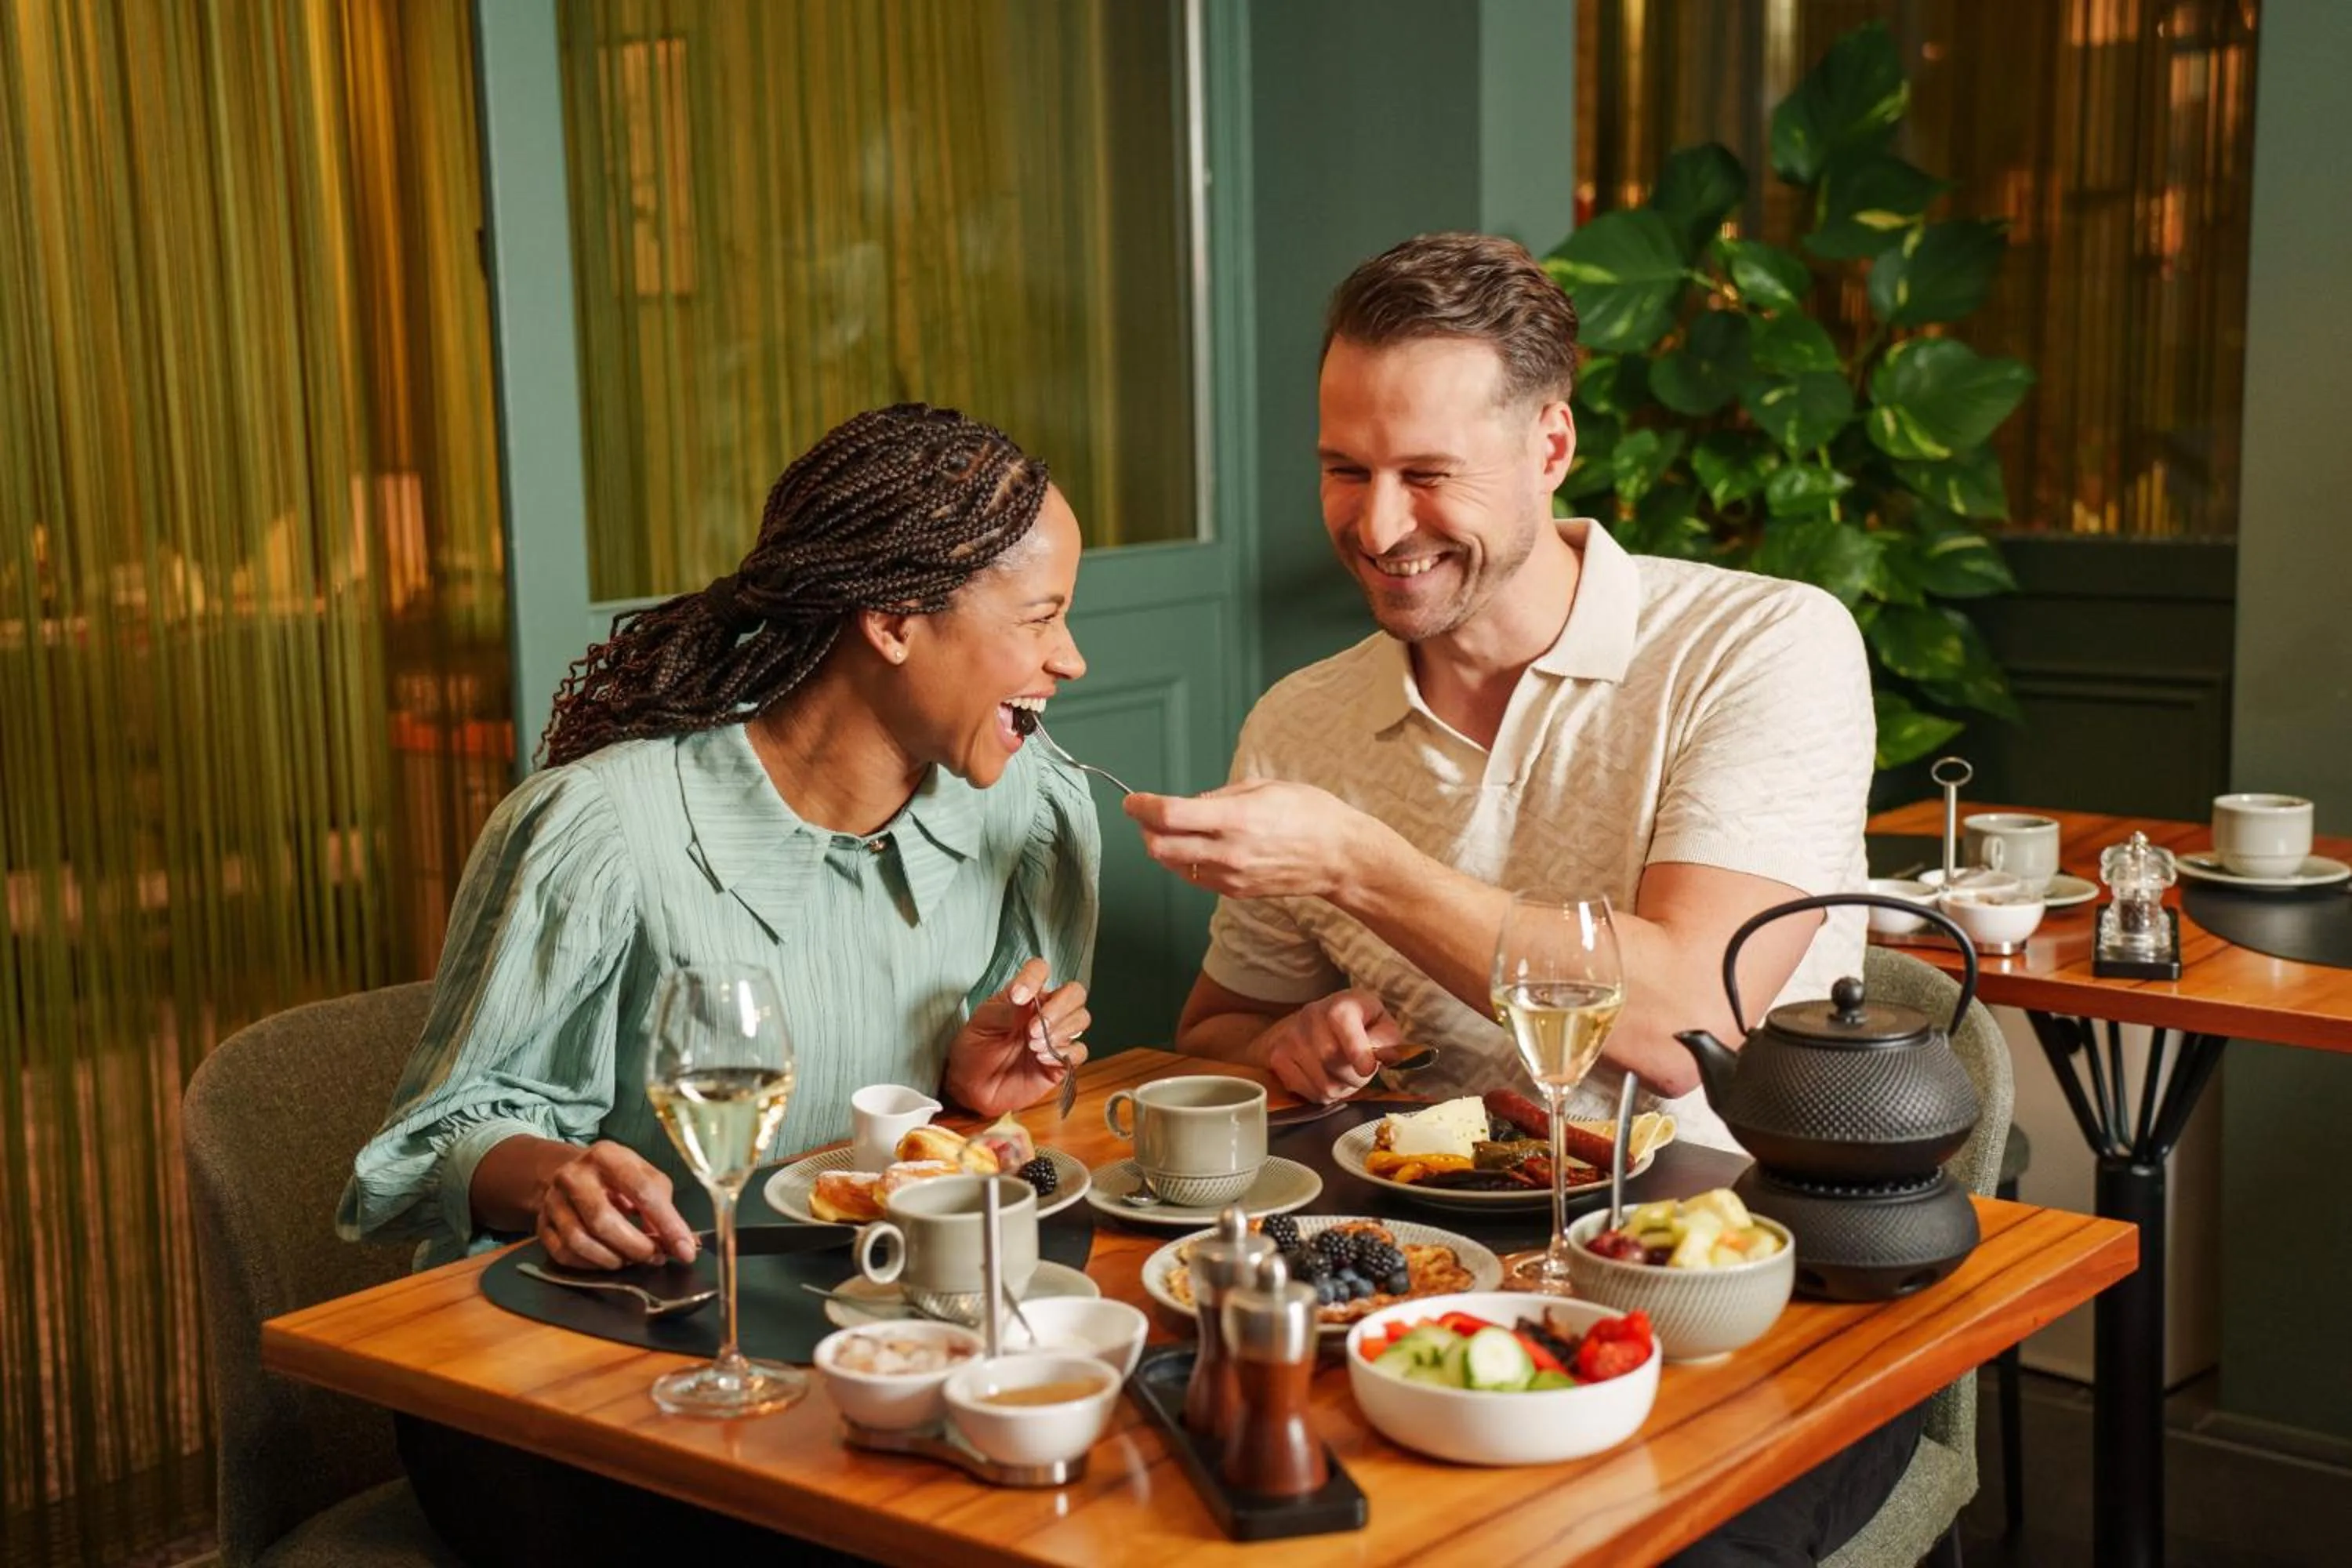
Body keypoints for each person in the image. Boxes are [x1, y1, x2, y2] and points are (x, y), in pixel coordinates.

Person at [1125, 233, 1915, 1563]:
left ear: (1551, 447)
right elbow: (1214, 1034)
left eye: (1429, 475)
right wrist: (1282, 1049)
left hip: (1732, 1294)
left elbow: (1681, 1017)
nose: (1378, 528)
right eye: (1344, 471)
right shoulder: (1301, 721)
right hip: (1423, 1282)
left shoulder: (1760, 645)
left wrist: (1355, 865)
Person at [339, 406, 1095, 1565]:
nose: (1071, 657)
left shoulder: (1022, 808)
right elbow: (442, 1134)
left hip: (855, 1346)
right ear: (893, 621)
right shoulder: (602, 832)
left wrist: (977, 1094)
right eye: (1042, 618)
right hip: (577, 1387)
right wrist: (555, 1179)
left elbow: (987, 1150)